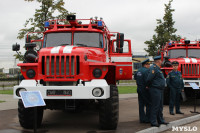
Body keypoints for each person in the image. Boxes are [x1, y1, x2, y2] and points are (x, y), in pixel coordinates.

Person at [146, 55, 169, 127]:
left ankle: (160, 120)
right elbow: (149, 79)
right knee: (155, 106)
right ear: (158, 61)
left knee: (160, 106)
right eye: (161, 61)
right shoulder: (154, 68)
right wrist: (149, 86)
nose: (161, 62)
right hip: (155, 89)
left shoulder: (158, 68)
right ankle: (153, 121)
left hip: (160, 89)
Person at [134, 59, 151, 123]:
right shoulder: (147, 71)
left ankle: (142, 119)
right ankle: (147, 119)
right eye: (148, 64)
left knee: (141, 105)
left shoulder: (138, 71)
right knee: (148, 104)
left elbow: (135, 78)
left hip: (139, 89)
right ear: (145, 65)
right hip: (145, 89)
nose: (149, 65)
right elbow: (148, 80)